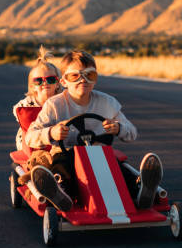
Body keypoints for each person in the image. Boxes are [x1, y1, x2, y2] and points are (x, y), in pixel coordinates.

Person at [25, 50, 163, 212]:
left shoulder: (107, 102)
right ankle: (60, 193)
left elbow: (132, 132)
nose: (83, 80)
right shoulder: (54, 105)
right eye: (75, 76)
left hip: (100, 154)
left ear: (95, 79)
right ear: (63, 81)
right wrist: (51, 133)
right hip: (66, 152)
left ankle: (141, 191)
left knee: (117, 170)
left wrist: (119, 128)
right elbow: (30, 137)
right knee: (63, 169)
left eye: (89, 75)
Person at [12, 46, 63, 184]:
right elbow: (20, 114)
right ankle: (41, 181)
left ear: (58, 83)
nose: (45, 83)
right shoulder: (26, 105)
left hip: (60, 142)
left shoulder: (63, 101)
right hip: (33, 144)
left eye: (51, 79)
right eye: (38, 81)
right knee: (40, 157)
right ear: (32, 85)